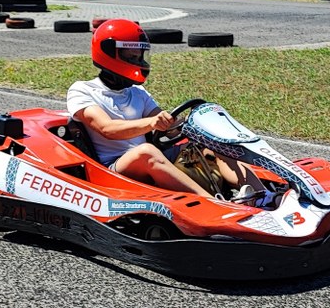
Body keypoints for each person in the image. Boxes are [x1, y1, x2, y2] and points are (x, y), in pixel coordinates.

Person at [67, 19, 266, 202]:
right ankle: (213, 202)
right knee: (146, 151)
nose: (139, 62)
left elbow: (167, 125)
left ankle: (263, 195)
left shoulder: (137, 92)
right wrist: (151, 123)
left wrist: (192, 128)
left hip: (148, 157)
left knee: (213, 145)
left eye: (140, 56)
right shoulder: (83, 90)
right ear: (110, 53)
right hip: (113, 169)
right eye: (132, 57)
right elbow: (107, 128)